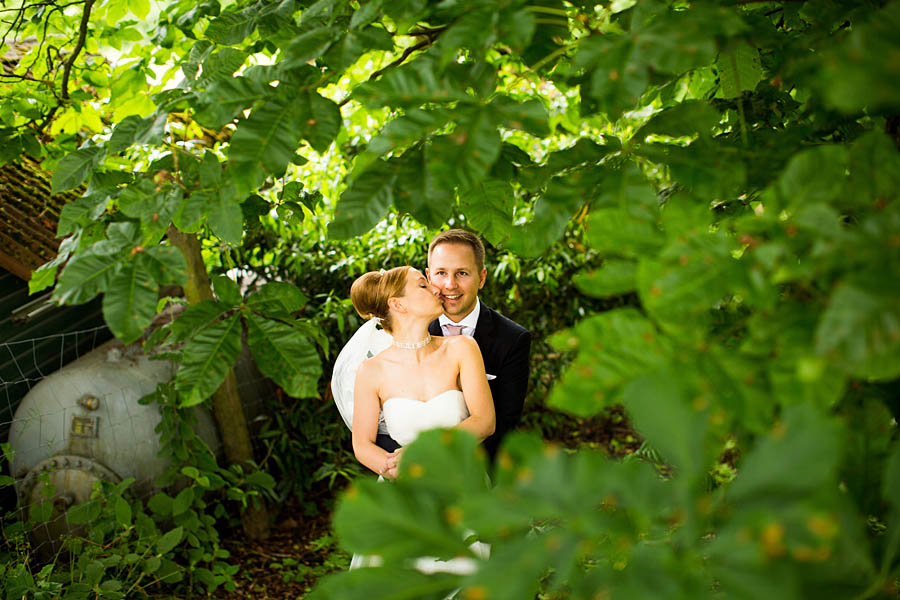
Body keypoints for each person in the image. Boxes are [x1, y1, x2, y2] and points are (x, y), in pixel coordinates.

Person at [376, 230, 532, 463]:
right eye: (441, 273)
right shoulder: (402, 331)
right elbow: (384, 423)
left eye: (462, 273)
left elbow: (504, 424)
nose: (450, 285)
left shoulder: (512, 339)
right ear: (428, 276)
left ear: (481, 278)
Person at [348, 266, 496, 479]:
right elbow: (362, 445)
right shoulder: (371, 371)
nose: (436, 289)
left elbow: (485, 421)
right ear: (398, 304)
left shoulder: (462, 348)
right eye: (422, 285)